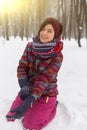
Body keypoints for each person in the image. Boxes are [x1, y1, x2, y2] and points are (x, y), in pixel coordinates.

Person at [6, 17, 63, 130]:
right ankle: (36, 106)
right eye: (43, 29)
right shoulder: (30, 47)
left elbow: (45, 79)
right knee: (11, 117)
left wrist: (30, 99)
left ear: (55, 35)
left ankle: (52, 106)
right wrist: (24, 87)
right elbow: (22, 67)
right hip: (29, 88)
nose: (44, 33)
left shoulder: (57, 56)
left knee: (30, 125)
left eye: (49, 31)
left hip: (46, 93)